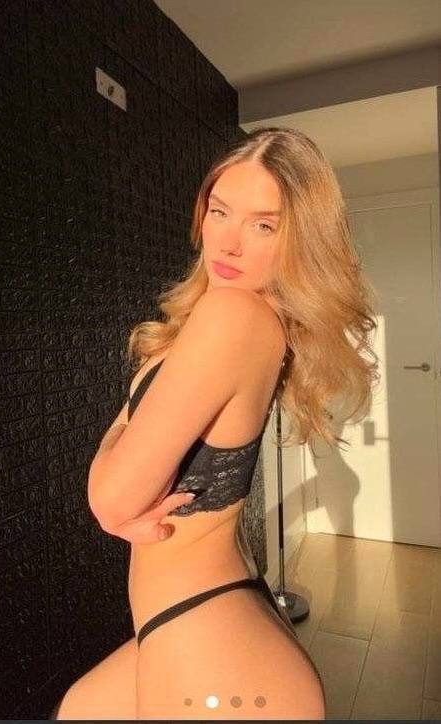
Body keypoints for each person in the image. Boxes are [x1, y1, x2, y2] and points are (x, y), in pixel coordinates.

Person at [51, 127, 379, 720]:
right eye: (220, 211)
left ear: (300, 240)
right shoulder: (223, 315)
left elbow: (112, 497)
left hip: (210, 637)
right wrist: (115, 475)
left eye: (264, 225)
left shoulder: (233, 315)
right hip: (199, 617)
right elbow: (121, 455)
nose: (228, 241)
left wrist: (111, 488)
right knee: (78, 708)